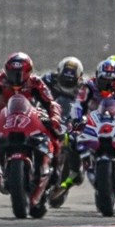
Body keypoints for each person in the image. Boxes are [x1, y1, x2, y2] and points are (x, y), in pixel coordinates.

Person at [0, 52, 64, 145]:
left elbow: (50, 103)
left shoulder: (35, 82)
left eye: (18, 74)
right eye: (11, 73)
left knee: (53, 131)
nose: (15, 77)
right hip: (3, 119)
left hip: (29, 118)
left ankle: (55, 152)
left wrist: (54, 118)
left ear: (28, 72)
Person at [42, 57, 86, 189]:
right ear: (59, 73)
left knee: (74, 139)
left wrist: (85, 118)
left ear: (79, 78)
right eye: (64, 79)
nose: (67, 83)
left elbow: (91, 105)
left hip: (71, 118)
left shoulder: (84, 88)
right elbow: (34, 92)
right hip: (49, 115)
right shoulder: (48, 80)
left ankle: (76, 170)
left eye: (71, 81)